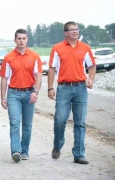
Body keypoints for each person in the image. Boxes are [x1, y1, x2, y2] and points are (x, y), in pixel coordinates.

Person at [48, 21, 96, 164]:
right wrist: (50, 88)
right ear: (66, 33)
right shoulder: (57, 48)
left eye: (77, 29)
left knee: (80, 122)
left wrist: (91, 79)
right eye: (72, 30)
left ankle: (79, 154)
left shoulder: (85, 48)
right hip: (63, 88)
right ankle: (57, 145)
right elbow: (51, 68)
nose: (75, 32)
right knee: (60, 120)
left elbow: (92, 66)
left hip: (81, 88)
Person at [0, 29, 42, 163]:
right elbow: (4, 78)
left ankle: (24, 151)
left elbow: (39, 75)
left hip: (30, 93)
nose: (21, 41)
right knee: (15, 123)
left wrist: (36, 92)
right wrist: (3, 97)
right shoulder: (8, 57)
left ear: (27, 39)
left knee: (27, 125)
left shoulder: (34, 56)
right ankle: (15, 151)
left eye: (24, 38)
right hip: (14, 94)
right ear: (15, 40)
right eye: (19, 38)